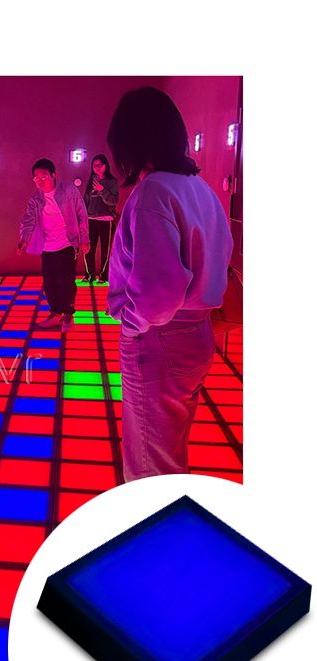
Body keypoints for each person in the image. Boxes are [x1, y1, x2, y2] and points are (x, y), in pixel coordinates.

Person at [106, 87, 233, 481]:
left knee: (149, 463)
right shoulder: (200, 188)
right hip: (197, 335)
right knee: (169, 451)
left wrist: (131, 326)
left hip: (159, 339)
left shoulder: (153, 192)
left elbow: (159, 293)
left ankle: (157, 521)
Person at [18, 158, 89, 332]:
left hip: (67, 243)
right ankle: (56, 313)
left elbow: (81, 213)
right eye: (36, 178)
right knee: (50, 282)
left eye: (43, 176)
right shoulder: (36, 198)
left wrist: (84, 238)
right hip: (47, 246)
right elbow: (28, 220)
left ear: (53, 175)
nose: (39, 181)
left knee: (66, 281)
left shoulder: (68, 191)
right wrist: (24, 240)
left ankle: (68, 314)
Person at [82, 153, 119, 283]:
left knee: (105, 250)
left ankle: (103, 276)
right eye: (94, 165)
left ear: (106, 166)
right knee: (88, 248)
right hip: (91, 219)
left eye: (100, 165)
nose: (97, 168)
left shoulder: (111, 182)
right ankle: (89, 275)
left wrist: (102, 190)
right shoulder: (90, 182)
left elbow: (114, 201)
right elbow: (86, 201)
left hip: (106, 220)